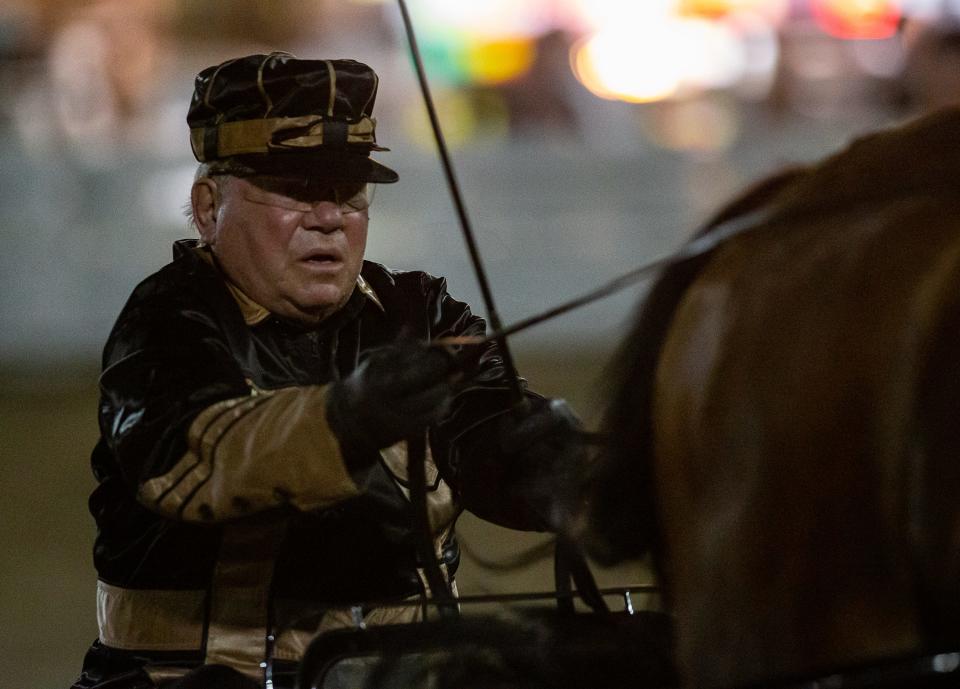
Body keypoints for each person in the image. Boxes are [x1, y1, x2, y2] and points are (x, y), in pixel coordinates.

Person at [70, 53, 587, 689]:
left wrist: (574, 474)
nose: (328, 218)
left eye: (348, 194)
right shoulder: (170, 319)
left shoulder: (417, 311)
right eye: (293, 191)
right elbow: (192, 458)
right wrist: (350, 416)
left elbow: (489, 432)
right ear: (208, 208)